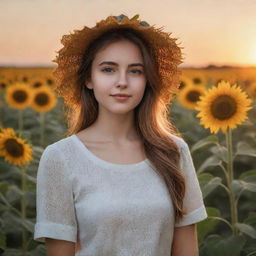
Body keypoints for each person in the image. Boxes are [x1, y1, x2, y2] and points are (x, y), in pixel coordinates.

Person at [33, 14, 208, 256]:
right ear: (88, 79)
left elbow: (187, 250)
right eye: (108, 69)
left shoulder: (173, 152)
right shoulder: (61, 158)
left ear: (148, 80)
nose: (122, 82)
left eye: (135, 71)